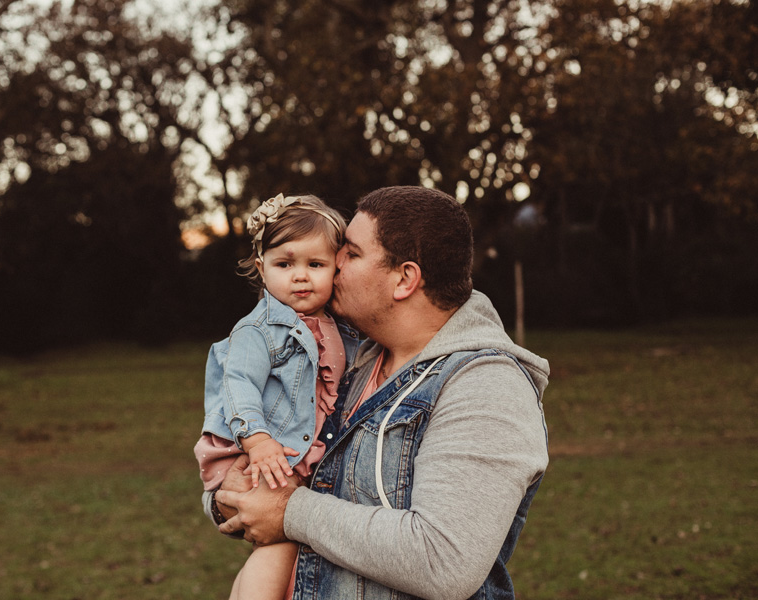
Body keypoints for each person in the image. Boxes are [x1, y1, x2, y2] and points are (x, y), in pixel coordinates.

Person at [208, 185, 550, 600]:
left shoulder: (487, 388)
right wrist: (231, 495)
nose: (335, 264)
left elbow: (442, 561)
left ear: (405, 278)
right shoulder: (349, 357)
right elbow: (271, 462)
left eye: (350, 253)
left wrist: (289, 512)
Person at [195, 193, 361, 600]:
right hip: (258, 454)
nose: (300, 276)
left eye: (315, 265)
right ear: (261, 268)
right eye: (285, 264)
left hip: (291, 455)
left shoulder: (340, 327)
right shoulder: (260, 331)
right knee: (281, 542)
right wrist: (257, 440)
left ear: (336, 269)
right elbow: (237, 385)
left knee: (288, 548)